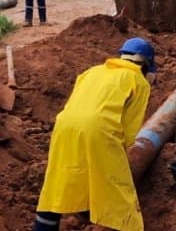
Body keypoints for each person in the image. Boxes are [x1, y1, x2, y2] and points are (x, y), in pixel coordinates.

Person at [33, 37, 157, 231]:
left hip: (64, 127)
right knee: (118, 188)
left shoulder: (92, 71)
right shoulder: (138, 81)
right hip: (100, 130)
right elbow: (129, 130)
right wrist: (119, 160)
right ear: (146, 65)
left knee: (59, 181)